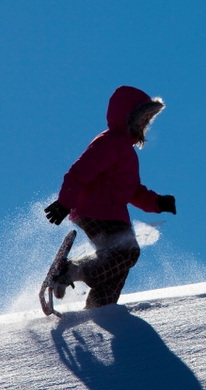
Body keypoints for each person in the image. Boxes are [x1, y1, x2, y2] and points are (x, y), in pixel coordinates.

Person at [43, 85, 177, 309]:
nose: (145, 124)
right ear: (129, 117)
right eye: (143, 117)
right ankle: (70, 270)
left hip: (112, 215)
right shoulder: (111, 141)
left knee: (117, 269)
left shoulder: (126, 151)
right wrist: (64, 202)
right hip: (96, 210)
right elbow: (81, 170)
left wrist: (157, 202)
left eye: (148, 119)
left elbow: (133, 191)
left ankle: (99, 310)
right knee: (127, 252)